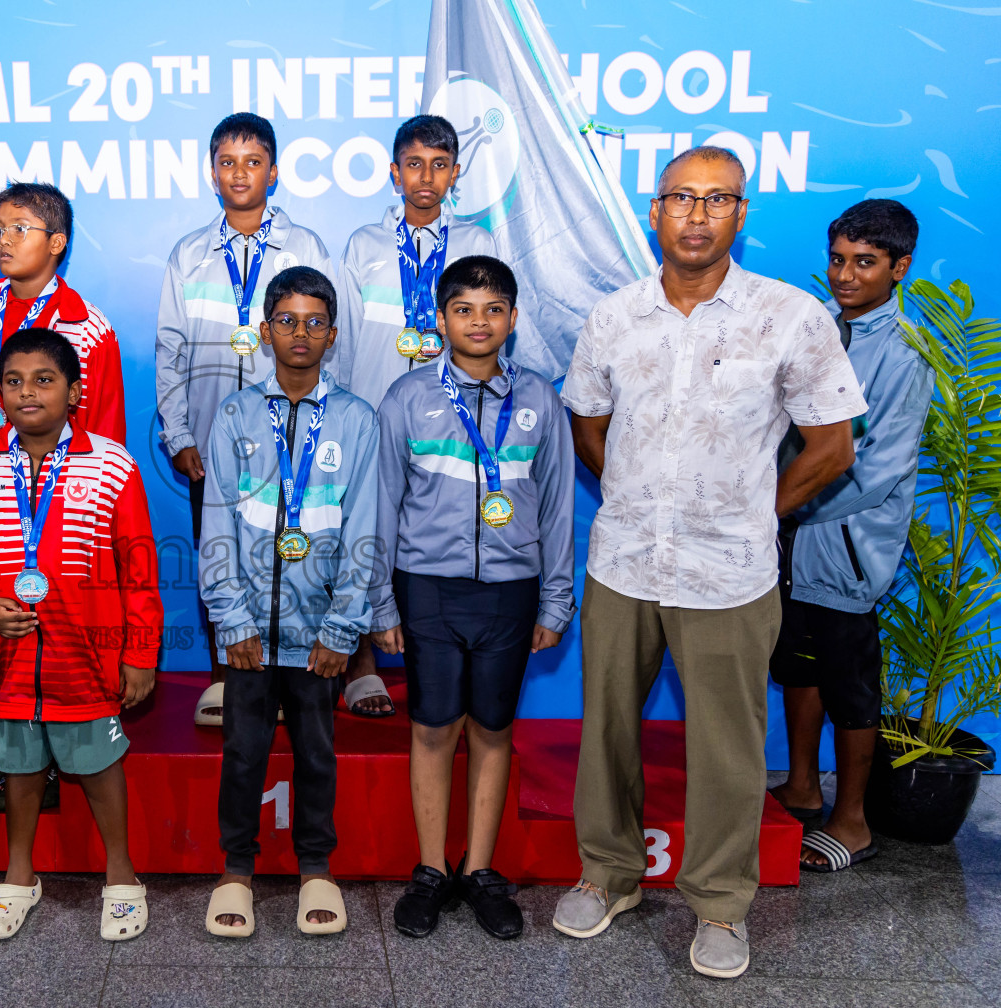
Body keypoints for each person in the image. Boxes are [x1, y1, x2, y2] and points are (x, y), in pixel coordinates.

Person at [556, 146, 865, 979]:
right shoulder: (614, 316)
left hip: (730, 574)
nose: (696, 215)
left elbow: (832, 446)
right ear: (654, 211)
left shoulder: (788, 316)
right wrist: (637, 492)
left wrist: (748, 510)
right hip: (623, 562)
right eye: (681, 199)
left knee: (728, 746)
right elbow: (591, 426)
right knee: (608, 732)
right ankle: (609, 874)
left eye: (717, 200)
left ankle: (722, 907)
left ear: (741, 214)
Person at [369, 255, 574, 941]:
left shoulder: (541, 399)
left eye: (493, 309)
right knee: (431, 726)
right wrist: (380, 603)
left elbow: (556, 510)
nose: (479, 321)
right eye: (464, 308)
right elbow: (382, 506)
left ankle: (480, 871)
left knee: (492, 727)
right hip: (426, 587)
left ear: (513, 319)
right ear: (441, 318)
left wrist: (554, 602)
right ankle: (431, 870)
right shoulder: (407, 397)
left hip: (511, 592)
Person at [0, 327, 161, 942]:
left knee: (97, 763)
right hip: (6, 660)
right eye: (12, 381)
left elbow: (139, 569)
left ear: (74, 392)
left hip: (88, 659)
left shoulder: (112, 464)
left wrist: (140, 654)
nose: (26, 393)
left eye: (43, 380)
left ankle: (121, 875)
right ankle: (19, 876)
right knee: (18, 768)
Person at [199, 266, 378, 938]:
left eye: (314, 322)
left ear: (332, 335)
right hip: (249, 631)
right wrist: (231, 616)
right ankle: (236, 871)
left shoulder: (356, 421)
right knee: (243, 751)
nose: (300, 333)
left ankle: (315, 867)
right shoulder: (237, 414)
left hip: (320, 634)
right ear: (266, 329)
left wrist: (344, 627)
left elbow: (365, 528)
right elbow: (216, 520)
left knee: (316, 751)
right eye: (287, 320)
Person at [155, 111, 339, 726]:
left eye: (253, 161)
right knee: (221, 554)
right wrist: (179, 434)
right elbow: (170, 348)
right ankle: (226, 677)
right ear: (212, 173)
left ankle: (293, 678)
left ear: (274, 172)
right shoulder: (189, 254)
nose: (240, 173)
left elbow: (324, 336)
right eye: (228, 162)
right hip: (213, 441)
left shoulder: (306, 247)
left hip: (294, 436)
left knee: (295, 551)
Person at [768, 199, 932, 873]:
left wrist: (782, 507)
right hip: (789, 543)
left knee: (849, 685)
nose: (846, 275)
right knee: (798, 667)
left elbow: (873, 469)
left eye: (865, 263)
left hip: (847, 551)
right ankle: (805, 789)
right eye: (838, 260)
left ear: (900, 267)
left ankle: (854, 820)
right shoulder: (820, 335)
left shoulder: (904, 357)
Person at [331, 114, 504, 719]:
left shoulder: (479, 241)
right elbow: (345, 338)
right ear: (393, 172)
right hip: (376, 412)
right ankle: (361, 665)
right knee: (363, 532)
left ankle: (441, 656)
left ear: (456, 172)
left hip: (452, 419)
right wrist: (342, 411)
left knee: (435, 534)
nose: (424, 178)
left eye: (438, 165)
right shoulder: (364, 246)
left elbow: (494, 333)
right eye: (413, 164)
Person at [0, 180, 127, 462]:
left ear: (56, 242)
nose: (4, 240)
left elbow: (105, 430)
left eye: (20, 229)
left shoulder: (86, 327)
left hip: (59, 492)